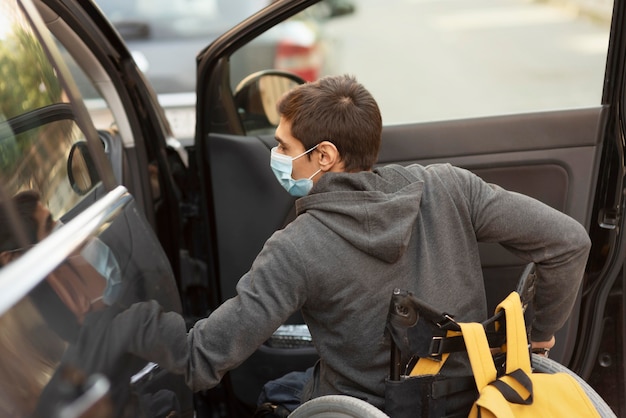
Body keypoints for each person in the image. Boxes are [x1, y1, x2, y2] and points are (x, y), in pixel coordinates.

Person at [178, 74, 591, 414]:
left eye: (284, 147)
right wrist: (539, 332)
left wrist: (134, 335)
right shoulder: (449, 187)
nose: (277, 154)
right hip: (474, 402)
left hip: (362, 411)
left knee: (275, 394)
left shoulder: (296, 248)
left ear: (324, 156)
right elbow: (568, 242)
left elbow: (207, 354)